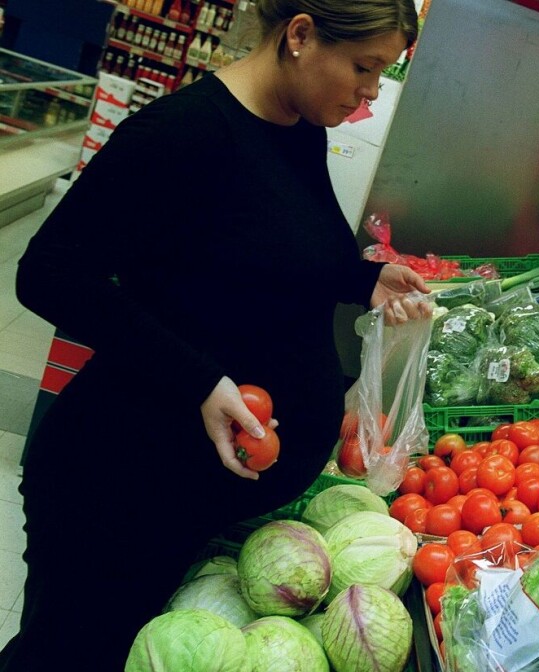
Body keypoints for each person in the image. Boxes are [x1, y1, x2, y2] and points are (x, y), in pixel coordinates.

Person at [2, 0, 424, 668]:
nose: (371, 90)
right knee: (67, 652)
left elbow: (272, 250)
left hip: (191, 496)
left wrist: (362, 278)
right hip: (118, 485)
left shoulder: (297, 125)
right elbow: (50, 276)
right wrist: (198, 379)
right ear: (301, 35)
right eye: (364, 67)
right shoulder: (181, 132)